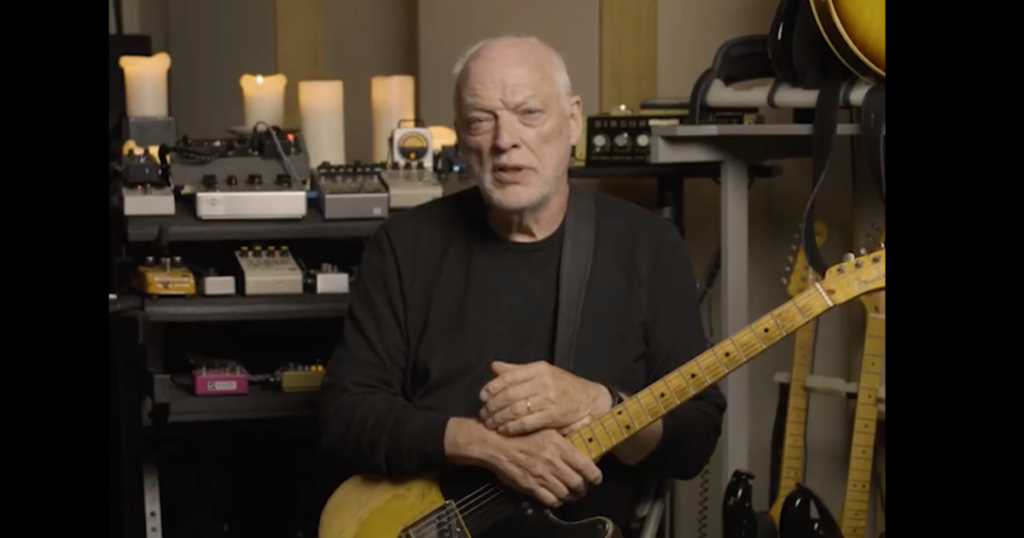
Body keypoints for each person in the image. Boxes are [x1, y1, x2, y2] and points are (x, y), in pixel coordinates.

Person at [320, 35, 726, 535]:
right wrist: (486, 447)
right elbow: (345, 415)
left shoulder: (648, 246)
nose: (504, 140)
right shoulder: (404, 246)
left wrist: (599, 403)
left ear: (573, 120)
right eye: (480, 120)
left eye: (529, 113)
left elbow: (695, 438)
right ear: (460, 136)